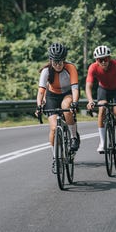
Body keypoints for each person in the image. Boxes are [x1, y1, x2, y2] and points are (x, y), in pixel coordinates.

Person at [35, 43, 80, 173]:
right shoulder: (46, 71)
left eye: (60, 61)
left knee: (66, 106)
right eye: (55, 61)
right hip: (52, 96)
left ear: (64, 59)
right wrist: (39, 105)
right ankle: (55, 158)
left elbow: (75, 89)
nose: (58, 64)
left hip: (67, 94)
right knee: (54, 128)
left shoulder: (70, 68)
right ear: (50, 60)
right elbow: (41, 91)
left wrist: (75, 103)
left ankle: (73, 137)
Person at [85, 45, 116, 154]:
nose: (104, 62)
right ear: (96, 60)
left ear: (109, 58)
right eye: (101, 60)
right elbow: (88, 86)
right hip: (103, 89)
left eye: (106, 59)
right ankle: (102, 142)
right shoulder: (93, 67)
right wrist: (90, 100)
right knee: (102, 109)